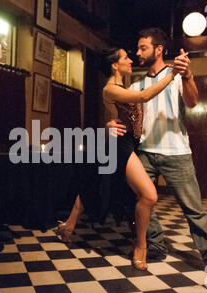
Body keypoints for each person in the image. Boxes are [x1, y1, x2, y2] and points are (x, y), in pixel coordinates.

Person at [109, 28, 207, 286]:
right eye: (137, 48)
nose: (138, 52)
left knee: (194, 210)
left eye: (143, 47)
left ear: (159, 49)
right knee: (142, 199)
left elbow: (191, 102)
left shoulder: (177, 75)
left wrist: (187, 75)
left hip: (177, 152)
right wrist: (111, 123)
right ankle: (154, 243)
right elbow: (124, 117)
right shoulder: (137, 84)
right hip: (145, 151)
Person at [57, 47, 186, 270]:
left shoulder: (124, 86)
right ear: (114, 65)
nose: (130, 60)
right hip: (118, 146)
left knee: (94, 184)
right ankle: (141, 246)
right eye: (125, 58)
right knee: (149, 195)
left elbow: (128, 113)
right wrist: (172, 73)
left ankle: (67, 227)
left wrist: (110, 124)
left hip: (128, 144)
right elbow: (144, 96)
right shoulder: (110, 89)